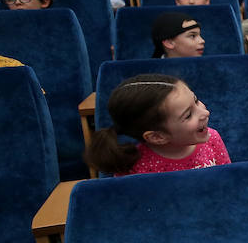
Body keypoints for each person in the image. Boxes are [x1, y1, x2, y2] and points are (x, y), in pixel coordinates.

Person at [85, 75, 230, 176]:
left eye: (196, 100)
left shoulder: (213, 139)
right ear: (157, 136)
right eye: (188, 115)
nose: (205, 112)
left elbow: (230, 182)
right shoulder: (133, 165)